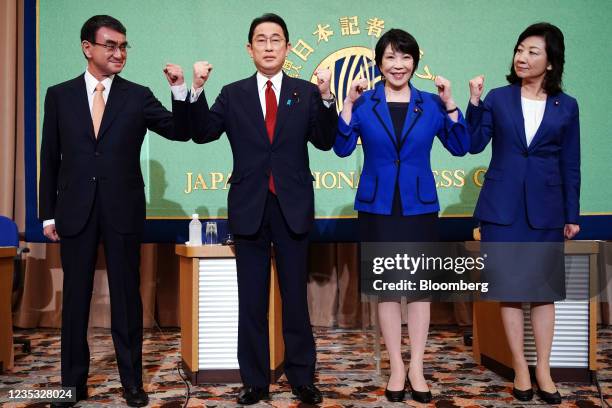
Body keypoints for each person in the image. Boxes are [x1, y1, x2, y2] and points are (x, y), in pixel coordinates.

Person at [172, 13, 338, 405]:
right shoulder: (232, 94)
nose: (268, 46)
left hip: (292, 206)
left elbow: (326, 141)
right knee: (251, 301)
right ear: (249, 49)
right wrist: (194, 89)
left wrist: (329, 97)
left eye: (275, 39)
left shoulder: (305, 91)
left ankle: (302, 378)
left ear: (288, 47)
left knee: (295, 299)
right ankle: (255, 380)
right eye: (260, 40)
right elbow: (202, 133)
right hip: (249, 207)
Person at [39, 15, 191, 407]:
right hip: (74, 211)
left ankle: (132, 384)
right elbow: (49, 158)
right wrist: (48, 214)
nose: (118, 52)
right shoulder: (59, 95)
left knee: (127, 299)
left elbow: (178, 130)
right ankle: (71, 385)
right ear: (87, 47)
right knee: (75, 301)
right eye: (110, 45)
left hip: (122, 210)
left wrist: (178, 89)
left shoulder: (137, 95)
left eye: (123, 46)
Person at [334, 29, 470, 403]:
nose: (398, 65)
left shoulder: (430, 103)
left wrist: (453, 103)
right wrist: (346, 104)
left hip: (419, 207)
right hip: (378, 207)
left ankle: (418, 368)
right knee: (389, 290)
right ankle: (396, 366)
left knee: (420, 291)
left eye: (406, 58)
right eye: (391, 57)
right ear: (379, 63)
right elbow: (343, 148)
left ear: (415, 63)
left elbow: (460, 146)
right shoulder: (365, 103)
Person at [467, 22, 580, 405]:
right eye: (519, 49)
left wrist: (572, 212)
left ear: (550, 61)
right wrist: (474, 102)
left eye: (533, 51)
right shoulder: (498, 98)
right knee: (511, 293)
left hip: (547, 210)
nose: (522, 57)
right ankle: (520, 368)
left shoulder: (568, 106)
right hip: (502, 209)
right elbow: (473, 143)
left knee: (544, 294)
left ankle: (543, 370)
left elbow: (571, 162)